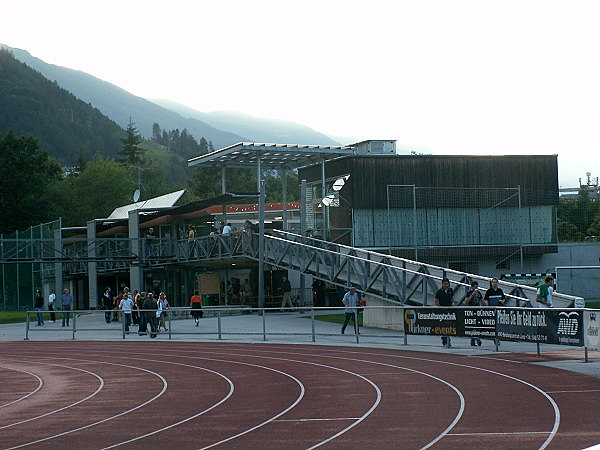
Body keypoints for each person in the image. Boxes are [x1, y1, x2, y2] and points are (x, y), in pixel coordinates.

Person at [435, 277, 454, 348]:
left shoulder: (450, 290)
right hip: (442, 311)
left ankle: (448, 340)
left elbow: (452, 299)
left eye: (447, 283)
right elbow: (436, 301)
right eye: (444, 283)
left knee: (449, 325)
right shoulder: (439, 292)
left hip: (449, 310)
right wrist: (440, 307)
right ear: (442, 284)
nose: (446, 285)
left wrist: (452, 304)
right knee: (443, 325)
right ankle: (444, 339)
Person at [464, 281, 483, 346]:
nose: (476, 288)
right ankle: (474, 340)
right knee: (472, 327)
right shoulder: (469, 293)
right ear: (472, 287)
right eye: (474, 287)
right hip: (471, 311)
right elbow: (466, 300)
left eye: (477, 287)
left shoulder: (479, 293)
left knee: (477, 326)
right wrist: (472, 294)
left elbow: (482, 300)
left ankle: (477, 340)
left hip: (477, 311)